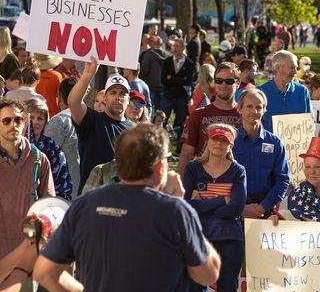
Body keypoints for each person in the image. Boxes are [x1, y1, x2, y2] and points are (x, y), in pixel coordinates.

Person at [33, 123, 221, 291]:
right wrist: (181, 203)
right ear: (160, 167)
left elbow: (44, 272)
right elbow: (208, 274)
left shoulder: (84, 204)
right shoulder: (175, 211)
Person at [183, 123, 246, 292]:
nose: (218, 144)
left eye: (224, 140)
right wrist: (222, 199)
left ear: (231, 145)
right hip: (199, 238)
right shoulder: (193, 168)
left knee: (227, 288)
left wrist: (201, 204)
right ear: (208, 141)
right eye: (215, 138)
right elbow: (185, 205)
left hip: (230, 240)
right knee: (195, 288)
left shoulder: (238, 171)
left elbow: (236, 209)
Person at [67, 57, 132, 193]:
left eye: (122, 93)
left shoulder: (135, 131)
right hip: (91, 197)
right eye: (113, 93)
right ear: (105, 97)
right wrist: (88, 75)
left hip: (123, 198)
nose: (118, 97)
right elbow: (73, 102)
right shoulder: (92, 120)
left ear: (128, 99)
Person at [0, 99, 55, 259]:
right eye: (6, 120)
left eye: (18, 119)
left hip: (28, 256)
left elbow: (48, 205)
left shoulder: (38, 159)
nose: (13, 125)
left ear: (24, 123)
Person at [178, 62, 242, 177]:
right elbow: (187, 154)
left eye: (229, 81)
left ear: (238, 83)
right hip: (203, 181)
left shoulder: (245, 115)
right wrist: (178, 188)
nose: (223, 85)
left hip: (237, 180)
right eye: (219, 80)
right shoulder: (199, 114)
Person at [233, 89, 290, 218]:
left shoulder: (275, 143)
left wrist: (262, 207)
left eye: (259, 107)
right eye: (249, 106)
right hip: (235, 211)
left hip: (266, 211)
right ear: (239, 109)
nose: (254, 111)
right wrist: (240, 208)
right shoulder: (230, 142)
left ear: (265, 110)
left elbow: (283, 179)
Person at [25, 99, 73, 201]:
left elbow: (62, 179)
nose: (35, 122)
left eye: (40, 118)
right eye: (31, 118)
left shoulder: (51, 146)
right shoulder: (16, 145)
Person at [258, 50, 312, 132]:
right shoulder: (260, 93)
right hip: (270, 144)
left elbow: (309, 123)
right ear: (278, 68)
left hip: (298, 144)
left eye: (296, 68)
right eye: (292, 67)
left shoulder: (302, 91)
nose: (295, 72)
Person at [270, 136, 320, 224]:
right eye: (308, 166)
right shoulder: (294, 197)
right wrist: (274, 219)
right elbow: (280, 219)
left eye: (317, 167)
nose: (312, 171)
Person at [44, 77, 80, 199]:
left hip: (65, 197)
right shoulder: (92, 118)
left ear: (60, 97)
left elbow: (46, 159)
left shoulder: (59, 121)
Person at [161, 38, 194, 151]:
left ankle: (179, 147)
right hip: (168, 96)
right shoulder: (168, 61)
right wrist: (180, 79)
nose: (174, 48)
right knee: (162, 120)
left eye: (178, 46)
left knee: (181, 122)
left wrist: (172, 78)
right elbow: (163, 80)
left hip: (181, 97)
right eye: (174, 46)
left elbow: (188, 81)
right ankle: (161, 145)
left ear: (183, 48)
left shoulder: (189, 63)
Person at [140, 35, 170, 111]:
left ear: (153, 43)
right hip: (163, 86)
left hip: (150, 85)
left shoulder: (149, 54)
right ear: (161, 44)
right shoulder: (168, 55)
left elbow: (144, 70)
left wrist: (142, 81)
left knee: (149, 109)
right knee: (160, 111)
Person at [34, 53, 63, 117]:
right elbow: (60, 98)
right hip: (52, 114)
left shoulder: (32, 74)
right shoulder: (56, 76)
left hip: (34, 114)